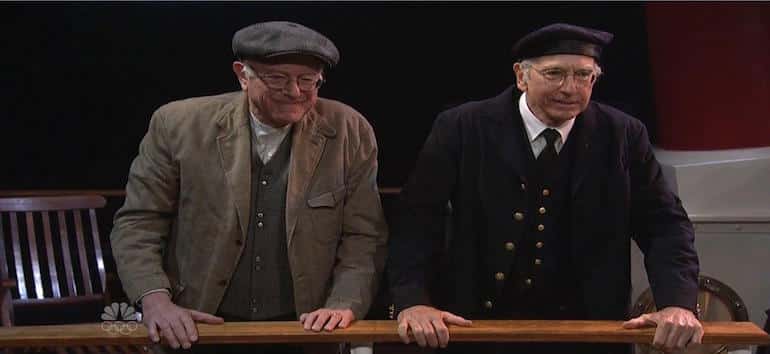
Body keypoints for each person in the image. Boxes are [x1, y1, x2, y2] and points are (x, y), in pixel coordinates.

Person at [387, 23, 702, 354]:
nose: (569, 88)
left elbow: (664, 224)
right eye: (554, 74)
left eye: (584, 76)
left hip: (590, 333)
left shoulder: (623, 134)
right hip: (476, 329)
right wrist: (413, 300)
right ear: (521, 76)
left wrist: (676, 303)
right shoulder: (462, 126)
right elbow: (416, 219)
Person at [111, 21, 388, 353]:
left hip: (306, 331)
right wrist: (154, 300)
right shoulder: (176, 125)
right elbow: (138, 222)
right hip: (199, 327)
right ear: (243, 75)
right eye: (278, 79)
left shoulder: (349, 131)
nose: (295, 91)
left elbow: (364, 236)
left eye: (308, 80)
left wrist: (345, 303)